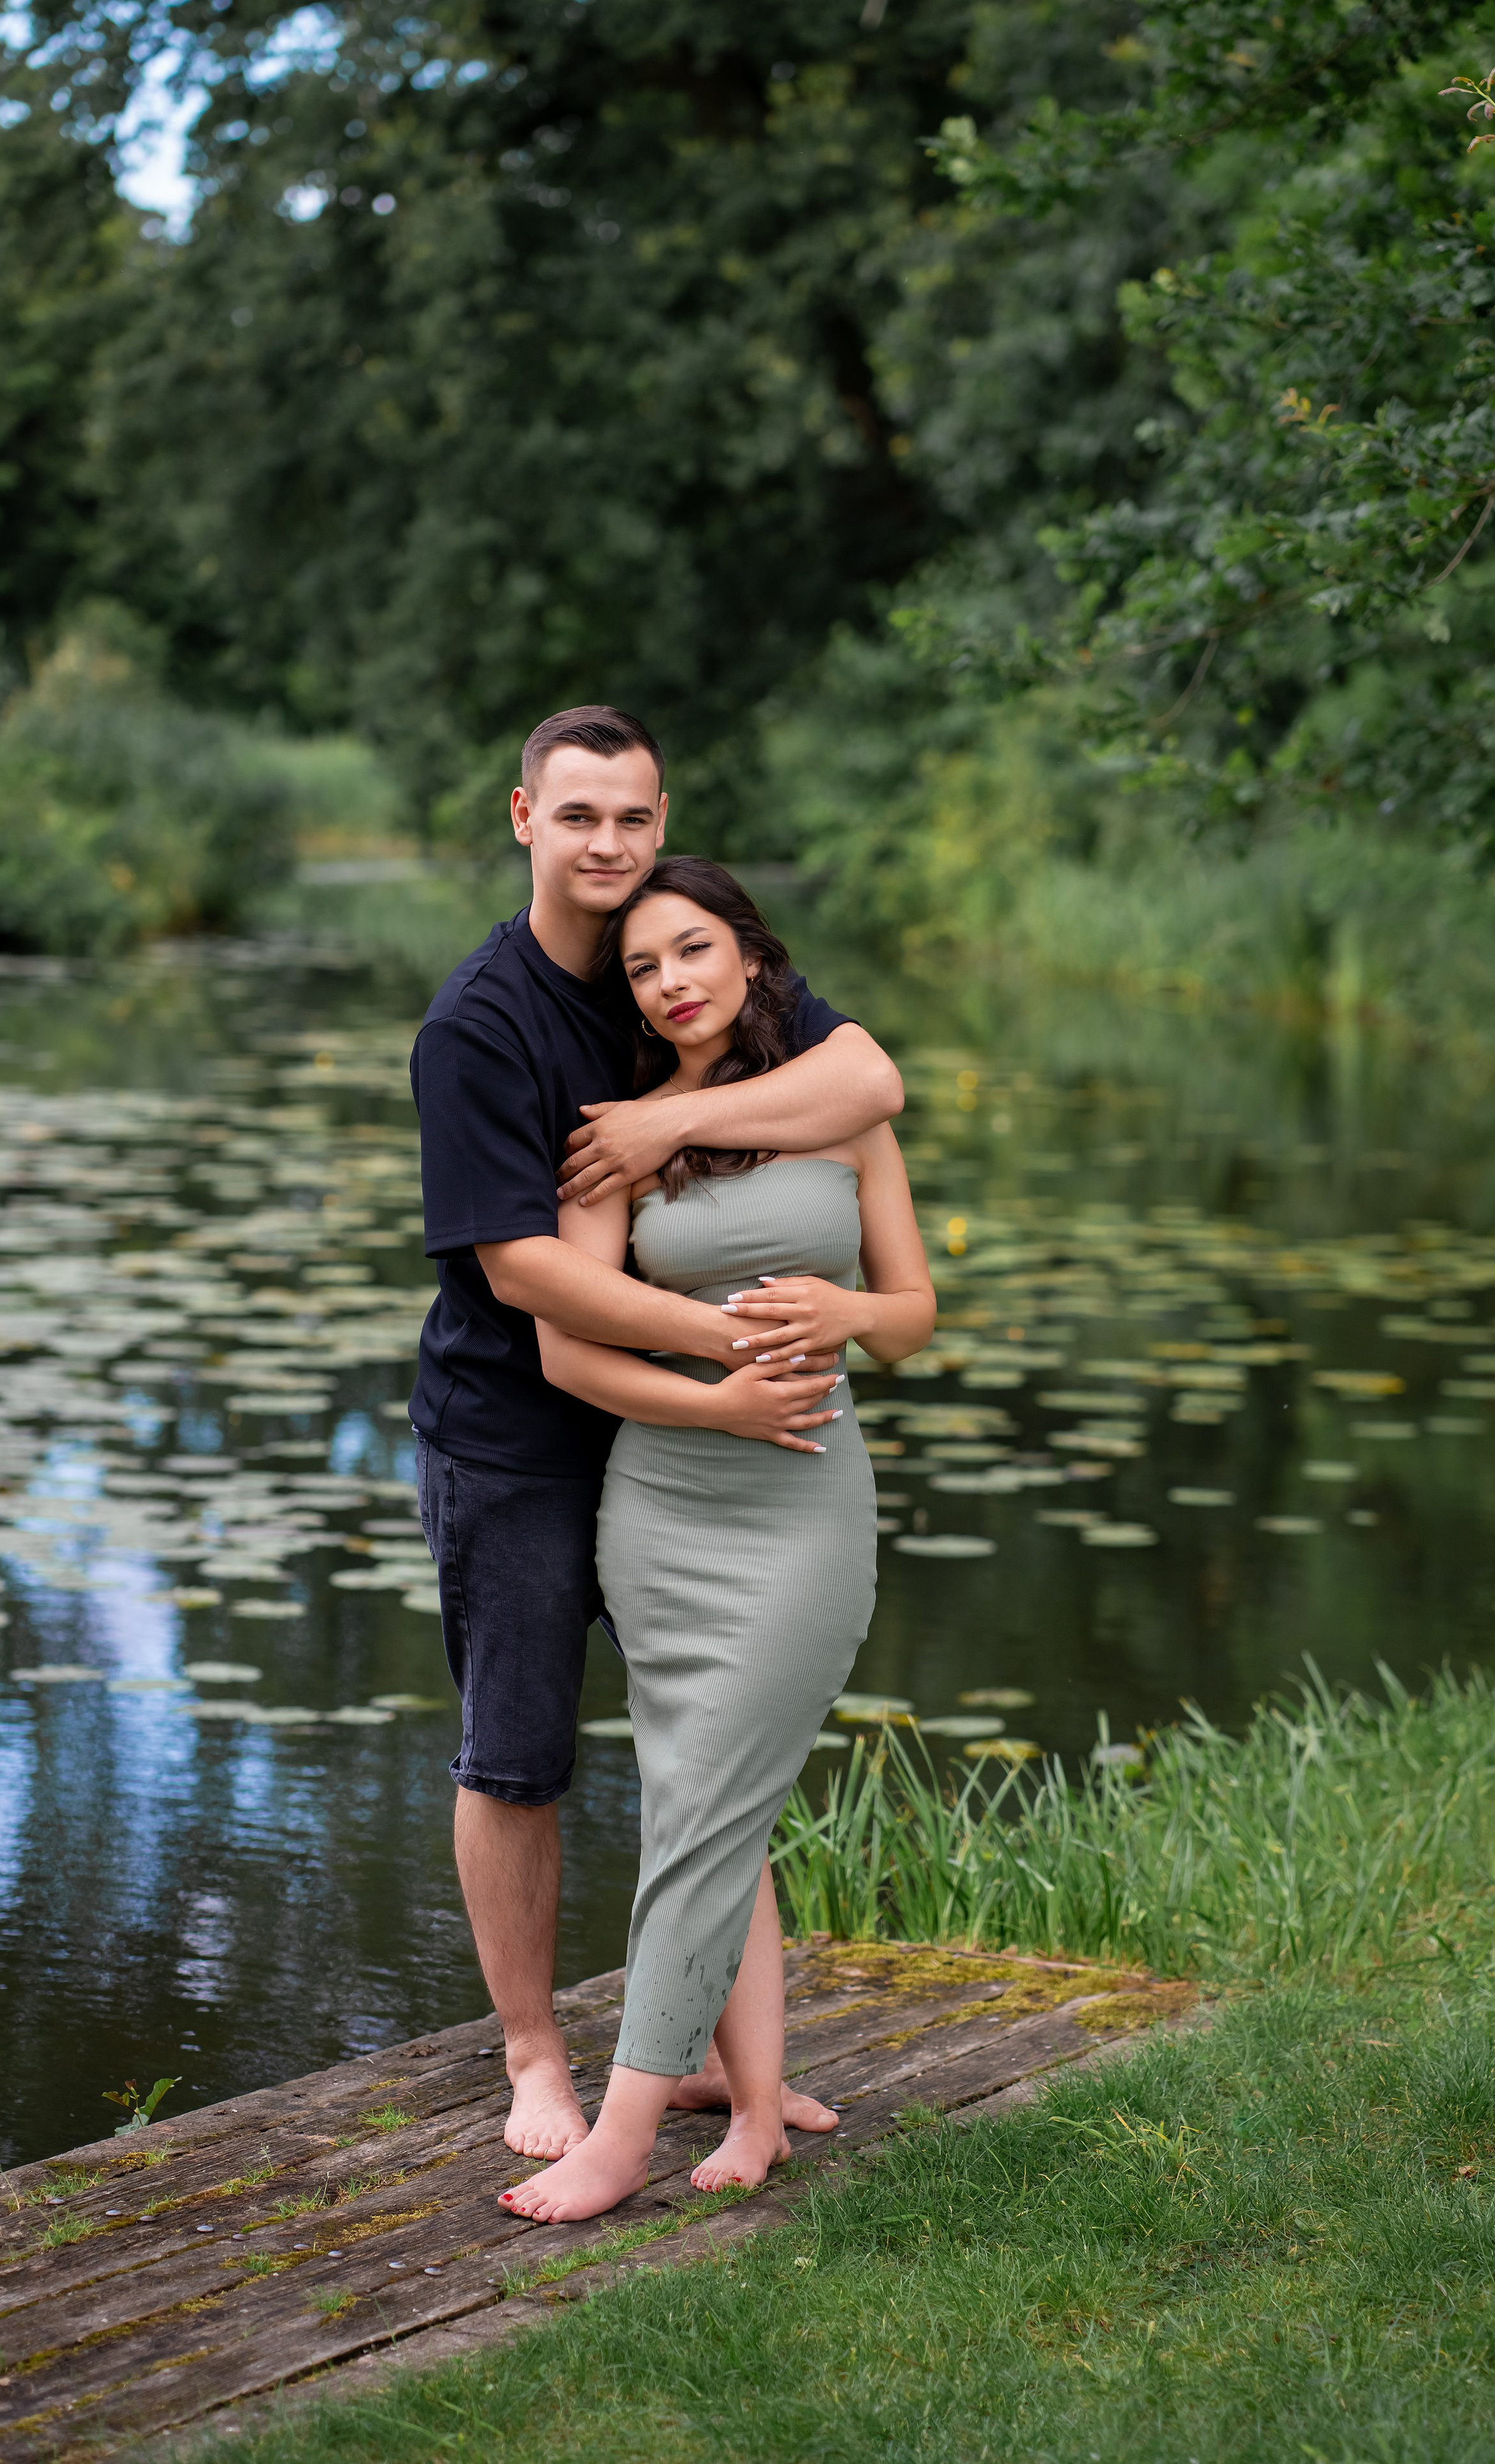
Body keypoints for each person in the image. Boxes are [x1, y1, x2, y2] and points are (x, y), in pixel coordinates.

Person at [410, 706, 904, 2164]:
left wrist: (661, 1130)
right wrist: (732, 1341)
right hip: (517, 1431)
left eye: (631, 816)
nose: (609, 845)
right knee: (516, 1755)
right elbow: (524, 1271)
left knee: (711, 1753)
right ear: (523, 820)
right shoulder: (479, 1025)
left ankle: (726, 2076)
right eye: (579, 818)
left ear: (661, 815)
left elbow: (866, 1083)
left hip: (670, 1445)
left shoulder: (672, 964)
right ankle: (533, 2058)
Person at [501, 857, 936, 2223]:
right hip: (663, 1503)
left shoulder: (833, 1109)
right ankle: (754, 2107)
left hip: (804, 1498)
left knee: (705, 1806)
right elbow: (568, 1351)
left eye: (693, 950)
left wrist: (842, 1312)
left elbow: (913, 1307)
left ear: (748, 956)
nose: (671, 980)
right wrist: (714, 1394)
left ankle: (622, 2132)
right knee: (706, 1807)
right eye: (641, 967)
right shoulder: (615, 1136)